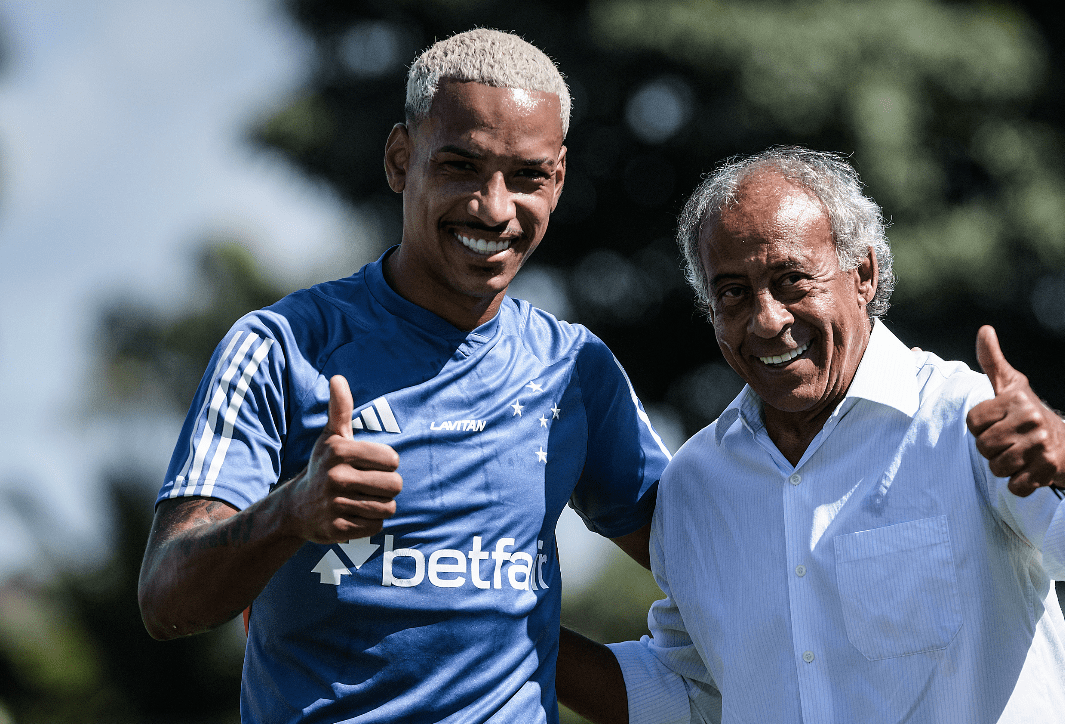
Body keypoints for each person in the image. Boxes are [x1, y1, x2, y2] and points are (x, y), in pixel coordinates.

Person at [138, 29, 670, 724]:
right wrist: (291, 513)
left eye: (527, 176)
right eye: (461, 166)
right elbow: (166, 599)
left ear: (559, 179)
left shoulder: (573, 369)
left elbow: (711, 565)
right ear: (400, 159)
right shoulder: (280, 347)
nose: (494, 208)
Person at [556, 146, 1065, 724]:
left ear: (863, 274)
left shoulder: (963, 421)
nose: (767, 320)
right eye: (734, 294)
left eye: (792, 280)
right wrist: (509, 629)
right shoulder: (697, 484)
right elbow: (689, 695)